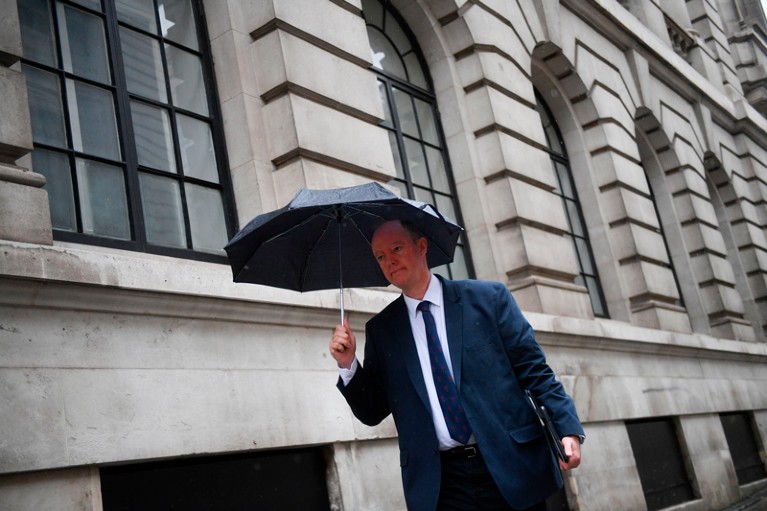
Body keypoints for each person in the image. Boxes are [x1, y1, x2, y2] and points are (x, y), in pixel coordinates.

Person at [329, 219, 584, 511]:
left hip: (509, 464)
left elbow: (534, 371)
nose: (390, 261)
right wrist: (348, 364)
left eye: (396, 248)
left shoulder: (488, 300)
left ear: (422, 246)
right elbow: (372, 411)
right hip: (441, 484)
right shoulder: (382, 330)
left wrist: (567, 428)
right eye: (381, 256)